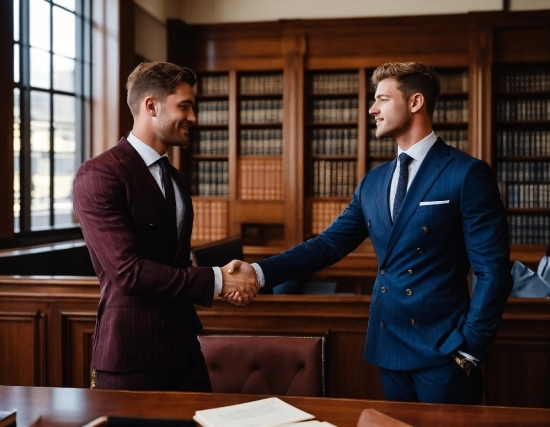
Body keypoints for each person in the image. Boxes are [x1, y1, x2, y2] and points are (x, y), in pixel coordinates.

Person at [225, 62, 513, 404]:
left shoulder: (466, 173)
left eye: (382, 99)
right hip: (388, 349)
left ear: (415, 102)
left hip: (445, 352)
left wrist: (469, 348)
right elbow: (329, 244)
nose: (372, 109)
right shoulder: (374, 181)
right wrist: (259, 273)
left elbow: (493, 271)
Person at [73, 61, 259, 392]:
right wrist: (218, 279)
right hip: (131, 356)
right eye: (184, 106)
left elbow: (174, 264)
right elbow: (127, 272)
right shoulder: (99, 174)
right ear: (151, 106)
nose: (193, 117)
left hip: (185, 350)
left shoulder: (177, 179)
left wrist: (227, 280)